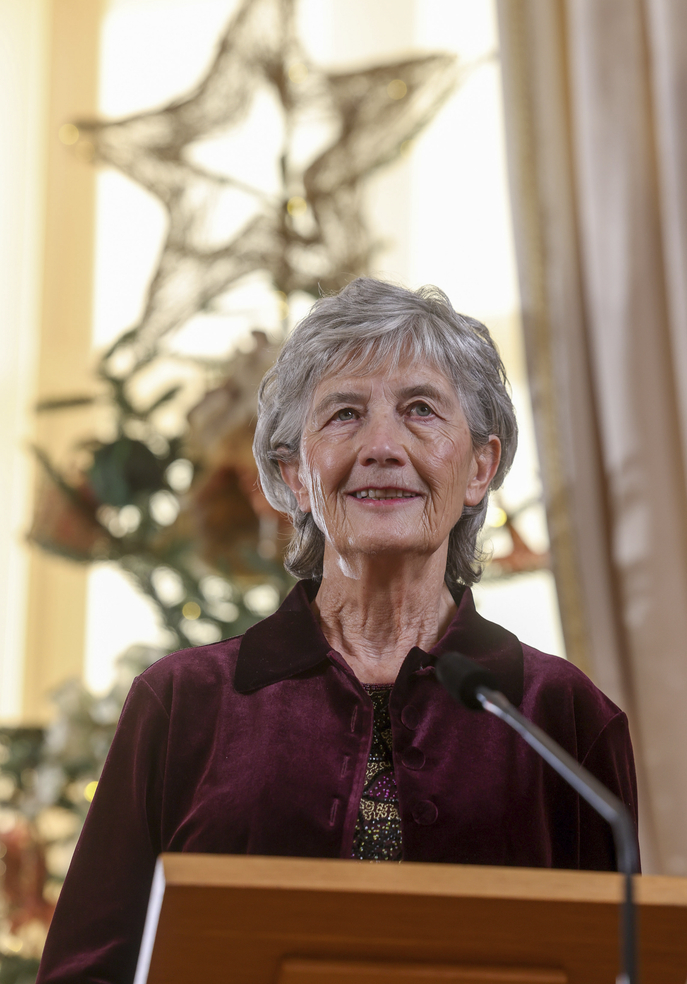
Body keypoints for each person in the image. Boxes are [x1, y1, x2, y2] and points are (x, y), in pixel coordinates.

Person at [36, 278, 638, 983]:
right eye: (345, 414)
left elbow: (616, 963)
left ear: (481, 466)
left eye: (420, 410)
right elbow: (84, 971)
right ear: (294, 474)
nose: (382, 445)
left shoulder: (561, 715)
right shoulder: (182, 703)